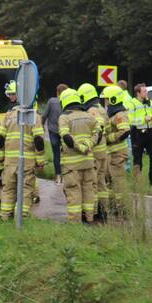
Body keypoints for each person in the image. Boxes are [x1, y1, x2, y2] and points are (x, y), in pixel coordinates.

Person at [0, 80, 45, 220]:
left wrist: (0, 156)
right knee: (25, 190)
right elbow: (39, 140)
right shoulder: (34, 116)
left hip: (9, 162)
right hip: (27, 162)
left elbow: (0, 137)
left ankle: (5, 216)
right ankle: (21, 219)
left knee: (8, 189)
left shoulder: (8, 115)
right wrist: (40, 160)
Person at [58, 88, 99, 223]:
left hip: (72, 165)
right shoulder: (89, 115)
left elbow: (66, 138)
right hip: (88, 162)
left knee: (74, 191)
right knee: (88, 190)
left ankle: (74, 222)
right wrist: (88, 144)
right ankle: (89, 218)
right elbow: (98, 133)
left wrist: (79, 147)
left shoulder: (64, 117)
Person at [78, 83, 110, 219]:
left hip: (95, 152)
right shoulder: (101, 108)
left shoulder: (92, 110)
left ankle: (94, 212)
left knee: (92, 183)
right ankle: (104, 210)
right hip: (103, 151)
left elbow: (99, 126)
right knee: (101, 182)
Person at [101, 85, 131, 215]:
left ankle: (122, 208)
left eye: (107, 99)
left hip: (117, 154)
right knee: (110, 180)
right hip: (111, 153)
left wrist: (108, 138)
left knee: (118, 181)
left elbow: (125, 131)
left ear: (113, 99)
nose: (105, 102)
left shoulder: (119, 114)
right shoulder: (112, 113)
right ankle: (113, 206)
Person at [129, 83, 152, 186]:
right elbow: (130, 120)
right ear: (138, 93)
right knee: (137, 159)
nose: (147, 93)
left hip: (150, 131)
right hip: (138, 133)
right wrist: (143, 119)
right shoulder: (132, 104)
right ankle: (137, 182)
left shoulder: (150, 102)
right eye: (144, 91)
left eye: (146, 91)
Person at [44, 83, 68, 183]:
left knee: (56, 154)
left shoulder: (51, 101)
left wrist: (41, 127)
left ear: (57, 92)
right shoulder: (68, 101)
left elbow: (44, 115)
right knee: (68, 153)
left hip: (53, 130)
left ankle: (58, 176)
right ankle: (67, 174)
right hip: (65, 131)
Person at [118, 79, 134, 173]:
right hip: (129, 124)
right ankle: (127, 168)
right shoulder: (129, 97)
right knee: (128, 147)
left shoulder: (121, 97)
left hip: (123, 124)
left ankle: (126, 168)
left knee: (125, 146)